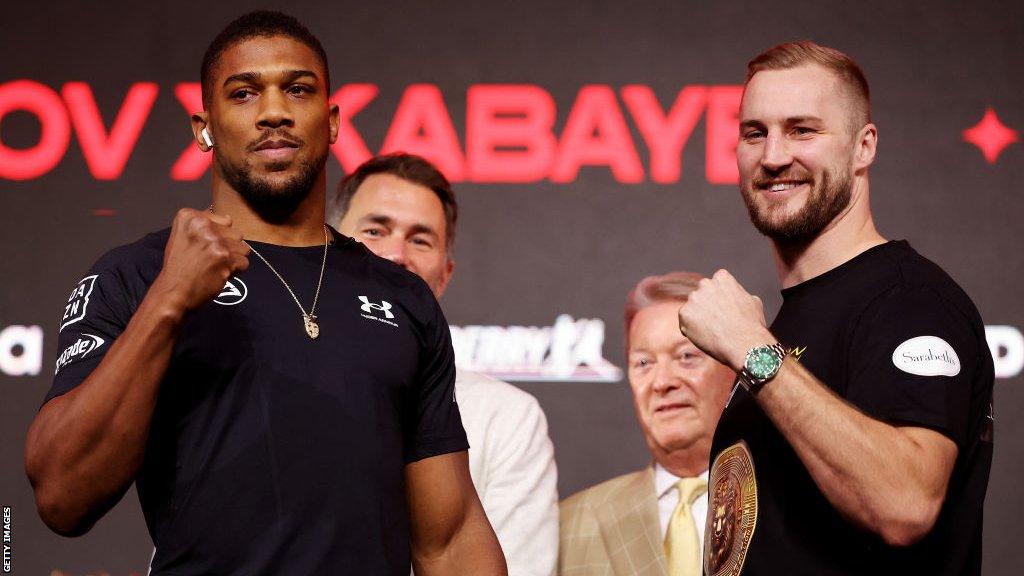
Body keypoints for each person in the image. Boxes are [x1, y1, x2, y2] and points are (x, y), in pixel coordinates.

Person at [24, 11, 505, 576]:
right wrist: (168, 302)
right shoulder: (137, 275)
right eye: (245, 93)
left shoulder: (403, 297)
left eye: (297, 89)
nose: (274, 111)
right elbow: (62, 496)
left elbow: (448, 543)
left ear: (331, 122)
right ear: (204, 127)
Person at [676, 41, 994, 575]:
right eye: (755, 133)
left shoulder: (910, 301)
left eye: (803, 130)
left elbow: (906, 503)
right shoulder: (793, 317)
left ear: (863, 147)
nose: (773, 156)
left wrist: (752, 349)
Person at [330, 153, 559, 576]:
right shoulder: (269, 378)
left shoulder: (507, 418)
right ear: (329, 248)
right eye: (375, 230)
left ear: (445, 274)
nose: (396, 255)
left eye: (420, 240)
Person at [558, 272, 735, 576]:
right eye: (643, 363)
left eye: (686, 356)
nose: (662, 382)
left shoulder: (784, 506)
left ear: (733, 367)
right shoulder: (571, 523)